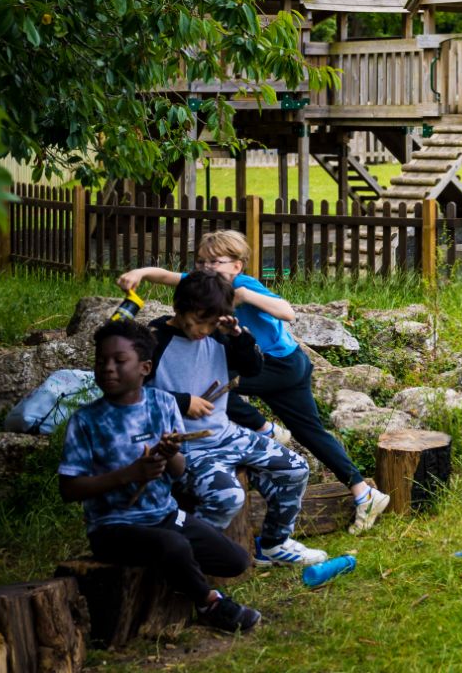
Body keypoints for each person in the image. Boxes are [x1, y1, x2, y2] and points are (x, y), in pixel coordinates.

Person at [117, 231, 390, 534]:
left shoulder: (242, 284)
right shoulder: (205, 284)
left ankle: (266, 430)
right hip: (289, 361)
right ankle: (363, 492)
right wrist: (140, 273)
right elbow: (167, 276)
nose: (206, 268)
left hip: (277, 364)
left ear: (237, 266)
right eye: (201, 262)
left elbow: (288, 312)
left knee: (211, 388)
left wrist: (244, 296)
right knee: (310, 432)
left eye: (215, 262)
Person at [60, 319, 261, 634]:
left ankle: (173, 570)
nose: (108, 368)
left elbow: (179, 471)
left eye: (119, 361)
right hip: (113, 527)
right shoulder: (86, 420)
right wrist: (130, 474)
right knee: (174, 546)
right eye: (101, 361)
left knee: (235, 559)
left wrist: (168, 455)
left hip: (164, 515)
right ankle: (210, 605)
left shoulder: (163, 403)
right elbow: (69, 489)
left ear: (145, 368)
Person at [150, 271, 324, 567]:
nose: (204, 330)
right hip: (184, 445)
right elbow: (132, 396)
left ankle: (275, 543)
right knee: (228, 497)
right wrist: (182, 401)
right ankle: (186, 557)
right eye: (199, 321)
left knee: (295, 468)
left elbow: (253, 368)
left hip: (225, 433)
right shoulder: (154, 339)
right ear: (179, 306)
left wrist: (239, 337)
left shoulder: (219, 334)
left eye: (211, 323)